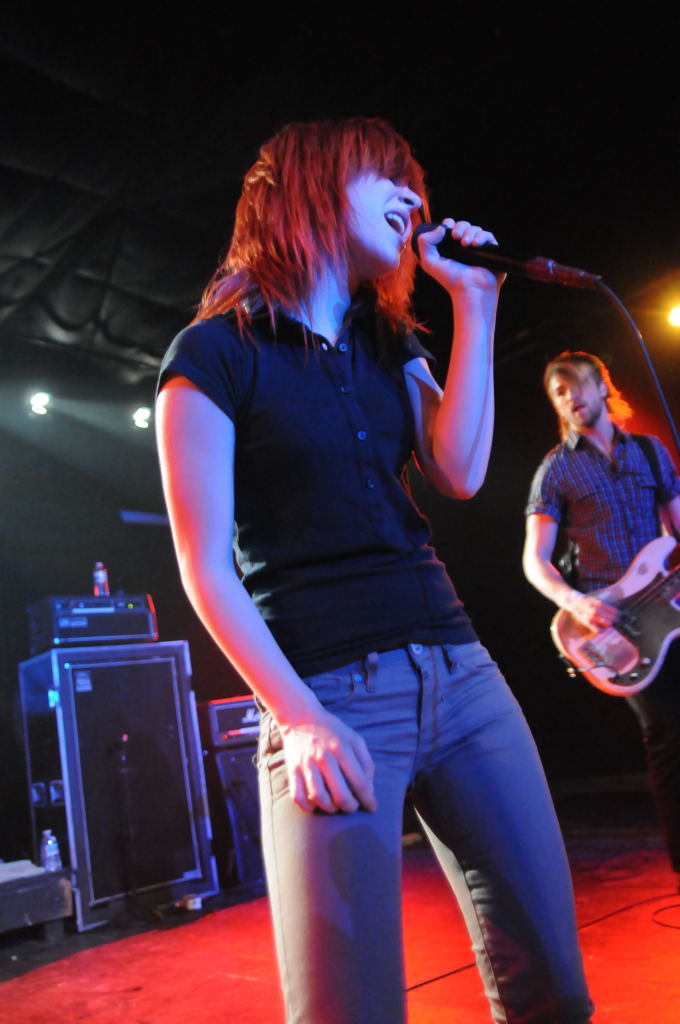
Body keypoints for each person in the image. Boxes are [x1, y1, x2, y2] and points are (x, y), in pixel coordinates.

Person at [156, 118, 593, 1024]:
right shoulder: (211, 355)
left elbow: (460, 470)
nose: (411, 197)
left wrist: (476, 303)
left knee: (554, 984)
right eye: (385, 175)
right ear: (311, 185)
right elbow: (203, 568)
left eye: (414, 184)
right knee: (348, 1009)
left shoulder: (385, 341)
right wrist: (299, 718)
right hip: (328, 691)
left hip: (463, 677)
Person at [523, 349, 680, 885]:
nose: (570, 397)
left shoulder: (652, 453)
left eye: (578, 384)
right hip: (613, 626)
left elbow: (675, 529)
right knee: (667, 731)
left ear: (603, 387)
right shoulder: (556, 469)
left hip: (668, 608)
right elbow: (535, 560)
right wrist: (575, 602)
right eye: (558, 392)